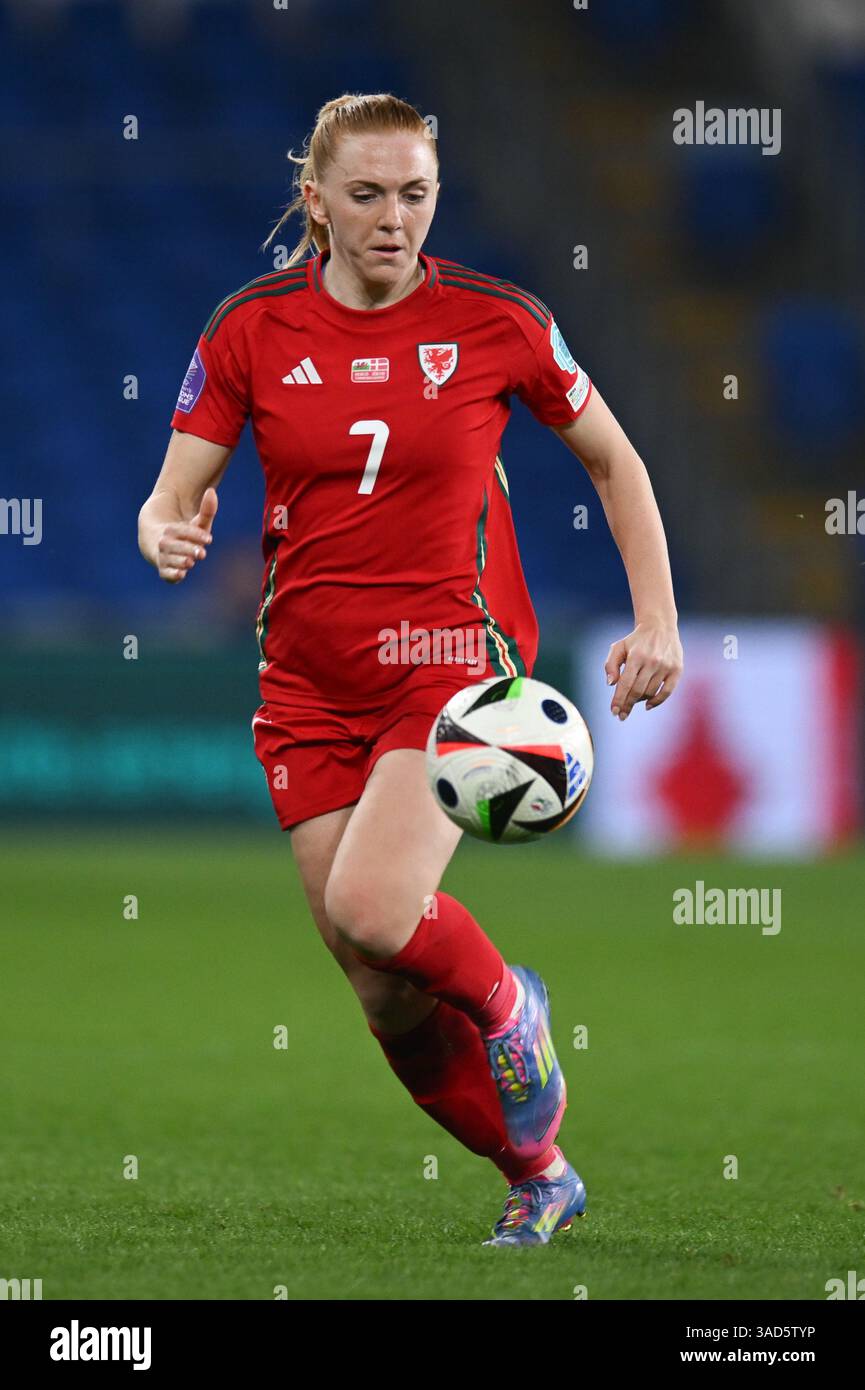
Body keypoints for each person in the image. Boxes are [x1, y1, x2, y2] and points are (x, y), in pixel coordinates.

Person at [138, 92, 683, 1247]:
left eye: (417, 193)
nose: (395, 218)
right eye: (369, 194)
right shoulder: (250, 328)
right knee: (377, 977)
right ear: (317, 202)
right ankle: (537, 1170)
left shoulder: (498, 322)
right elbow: (174, 490)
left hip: (447, 661)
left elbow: (615, 461)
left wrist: (657, 618)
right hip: (302, 682)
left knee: (378, 907)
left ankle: (505, 1000)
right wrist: (164, 525)